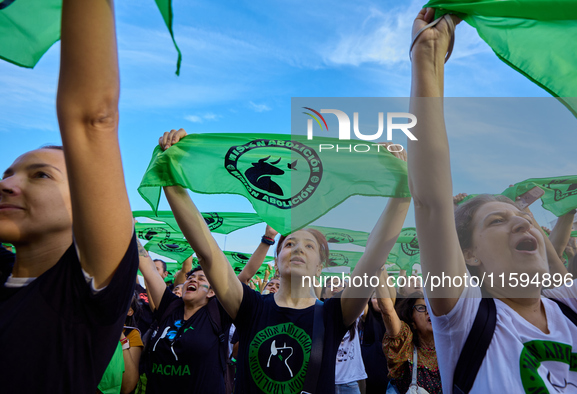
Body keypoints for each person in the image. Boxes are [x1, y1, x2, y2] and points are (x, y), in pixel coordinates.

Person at [407, 8, 577, 393]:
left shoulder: (576, 307)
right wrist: (427, 59)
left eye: (521, 215)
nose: (522, 221)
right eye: (496, 221)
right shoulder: (466, 318)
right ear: (469, 255)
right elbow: (432, 203)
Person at [156, 128, 411, 393]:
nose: (298, 248)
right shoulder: (250, 306)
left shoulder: (333, 314)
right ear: (277, 261)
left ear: (319, 267)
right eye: (289, 244)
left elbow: (373, 257)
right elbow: (207, 251)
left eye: (309, 246)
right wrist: (170, 177)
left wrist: (401, 188)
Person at [0, 0, 138, 392]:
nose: (8, 184)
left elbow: (92, 118)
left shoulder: (82, 296)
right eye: (7, 173)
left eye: (40, 175)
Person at [138, 240, 232, 394]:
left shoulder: (219, 313)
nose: (193, 279)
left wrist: (267, 239)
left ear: (212, 292)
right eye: (190, 277)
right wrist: (129, 226)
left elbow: (244, 276)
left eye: (201, 279)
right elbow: (148, 269)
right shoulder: (170, 306)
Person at [377, 271, 440, 394]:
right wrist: (377, 266)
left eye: (431, 307)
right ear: (412, 322)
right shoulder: (405, 346)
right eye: (421, 308)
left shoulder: (450, 345)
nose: (429, 312)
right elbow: (387, 309)